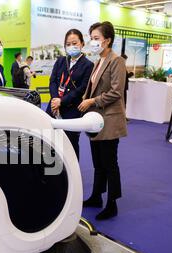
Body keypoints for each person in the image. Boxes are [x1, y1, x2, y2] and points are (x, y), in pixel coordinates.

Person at [78, 21, 127, 221]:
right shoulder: (99, 61)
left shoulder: (116, 61)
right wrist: (86, 99)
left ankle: (112, 203)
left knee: (109, 163)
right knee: (98, 162)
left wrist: (92, 100)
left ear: (107, 40)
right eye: (91, 37)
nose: (93, 41)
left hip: (110, 119)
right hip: (96, 119)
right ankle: (97, 196)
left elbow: (116, 92)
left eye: (96, 38)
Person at [47, 29, 94, 158]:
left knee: (71, 144)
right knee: (49, 142)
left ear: (82, 44)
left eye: (74, 43)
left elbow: (81, 89)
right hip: (53, 107)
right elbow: (52, 81)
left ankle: (72, 174)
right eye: (68, 44)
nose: (71, 46)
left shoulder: (88, 65)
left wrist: (62, 101)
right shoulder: (61, 60)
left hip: (71, 110)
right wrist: (55, 99)